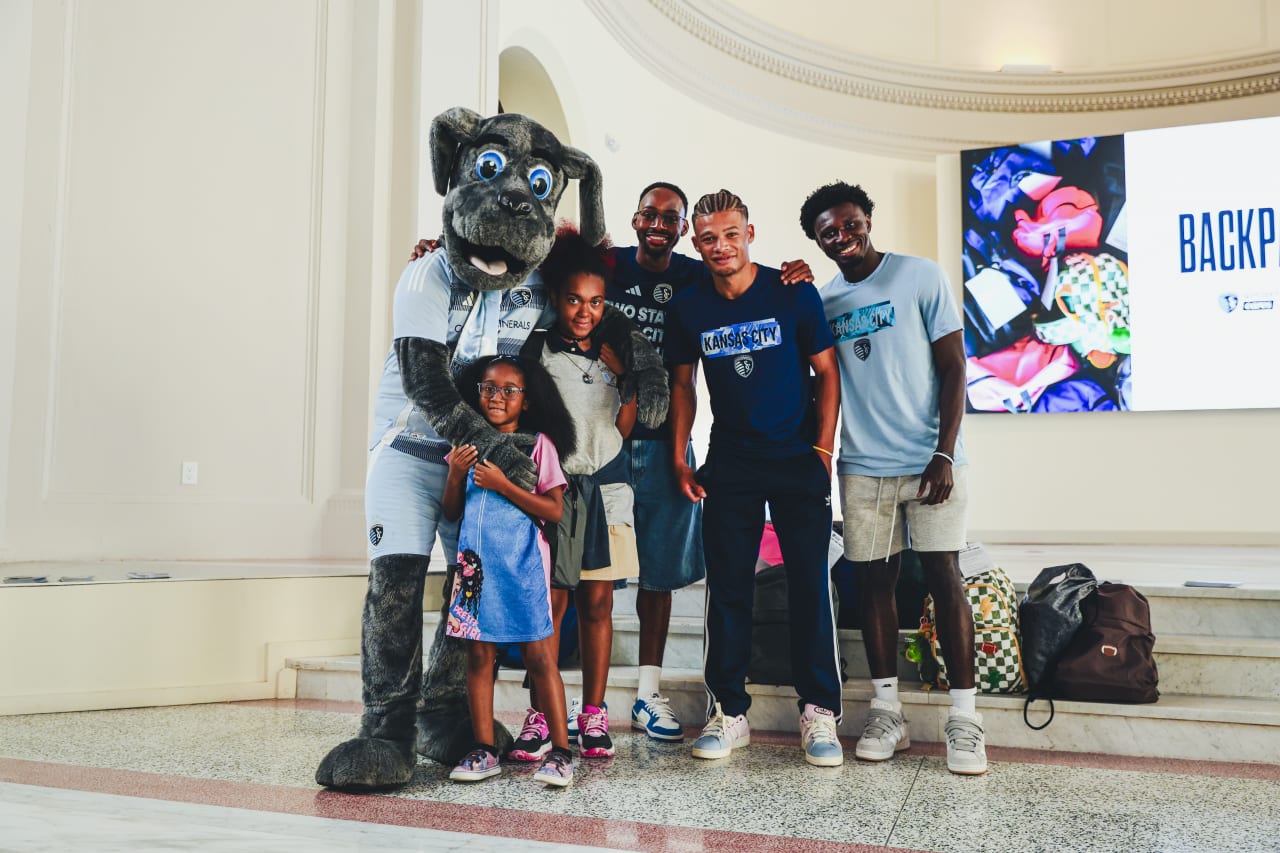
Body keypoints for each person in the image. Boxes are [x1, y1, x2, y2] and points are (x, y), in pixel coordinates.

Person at [798, 181, 984, 775]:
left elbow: (955, 367)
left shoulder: (920, 276)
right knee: (873, 585)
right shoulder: (824, 302)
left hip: (930, 462)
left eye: (850, 224)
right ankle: (887, 712)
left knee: (943, 577)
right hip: (863, 467)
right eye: (829, 232)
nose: (842, 236)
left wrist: (946, 453)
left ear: (868, 220)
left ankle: (964, 720)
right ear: (817, 240)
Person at [665, 189, 845, 767]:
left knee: (810, 587)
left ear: (750, 234)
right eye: (710, 238)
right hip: (732, 462)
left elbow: (828, 372)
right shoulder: (691, 307)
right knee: (730, 588)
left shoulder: (793, 292)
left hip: (796, 458)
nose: (722, 246)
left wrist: (822, 448)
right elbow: (683, 386)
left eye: (731, 234)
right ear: (697, 243)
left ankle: (818, 711)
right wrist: (679, 455)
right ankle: (729, 712)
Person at [504, 229, 640, 761]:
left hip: (607, 484)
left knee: (599, 603)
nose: (585, 311)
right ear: (557, 299)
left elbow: (625, 426)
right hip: (557, 487)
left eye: (596, 301)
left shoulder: (615, 352)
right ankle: (542, 714)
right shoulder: (536, 350)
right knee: (551, 606)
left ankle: (594, 714)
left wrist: (624, 377)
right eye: (574, 300)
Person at [441, 355, 576, 787]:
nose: (496, 397)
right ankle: (483, 749)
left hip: (522, 566)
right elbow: (451, 512)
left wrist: (504, 484)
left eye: (508, 390)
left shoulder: (538, 445)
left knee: (540, 656)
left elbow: (553, 510)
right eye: (488, 388)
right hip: (474, 568)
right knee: (479, 655)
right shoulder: (468, 441)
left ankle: (560, 752)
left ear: (527, 400)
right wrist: (455, 474)